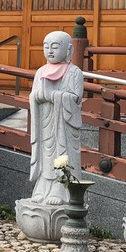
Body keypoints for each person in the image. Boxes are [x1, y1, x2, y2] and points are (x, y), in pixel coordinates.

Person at [29, 31, 84, 205]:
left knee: (62, 153)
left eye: (55, 46)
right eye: (46, 46)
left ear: (68, 50)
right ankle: (44, 188)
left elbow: (76, 98)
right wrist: (38, 96)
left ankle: (61, 191)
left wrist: (54, 95)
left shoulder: (74, 72)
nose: (50, 50)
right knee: (46, 154)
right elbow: (33, 96)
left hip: (63, 125)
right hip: (45, 122)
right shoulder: (41, 72)